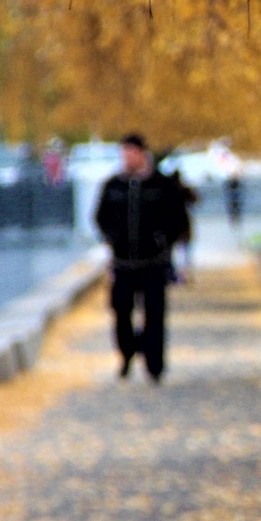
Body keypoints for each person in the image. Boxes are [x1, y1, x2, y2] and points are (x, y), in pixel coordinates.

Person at [94, 133, 190, 382]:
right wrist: (112, 238)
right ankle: (127, 352)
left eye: (131, 153)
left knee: (155, 314)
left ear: (142, 154)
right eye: (123, 153)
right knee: (121, 311)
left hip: (153, 263)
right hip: (123, 263)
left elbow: (177, 218)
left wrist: (162, 240)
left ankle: (154, 365)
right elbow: (100, 217)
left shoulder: (161, 185)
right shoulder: (113, 185)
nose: (127, 158)